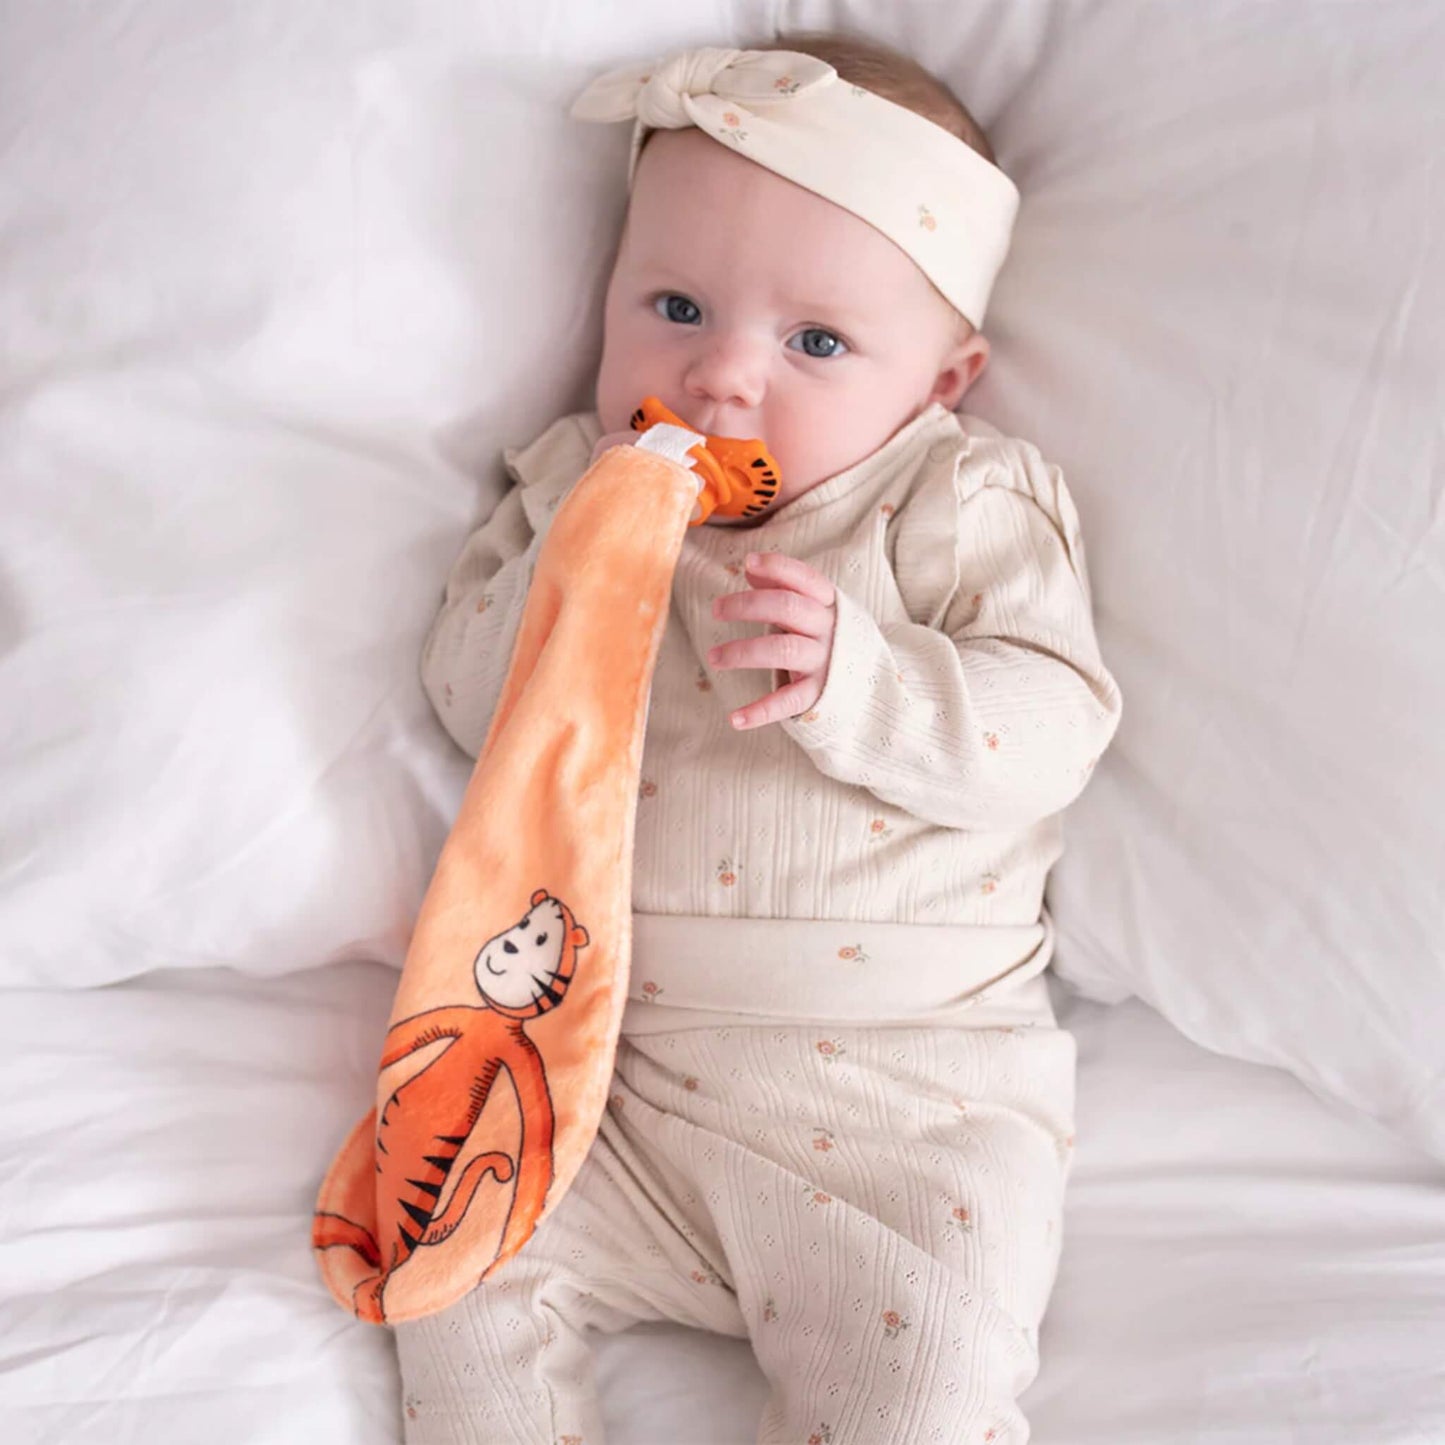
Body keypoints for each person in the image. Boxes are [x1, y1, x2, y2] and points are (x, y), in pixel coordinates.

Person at [393, 31, 1122, 1445]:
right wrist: (576, 567)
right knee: (443, 1255)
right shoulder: (569, 492)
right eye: (672, 305)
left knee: (923, 1387)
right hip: (612, 1074)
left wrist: (870, 677)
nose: (718, 379)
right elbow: (464, 702)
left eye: (816, 343)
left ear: (942, 378)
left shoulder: (953, 503)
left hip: (911, 1094)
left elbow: (1050, 727)